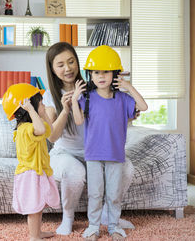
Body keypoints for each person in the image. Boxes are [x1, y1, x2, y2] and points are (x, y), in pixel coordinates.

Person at [43, 42, 135, 236]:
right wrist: (67, 108)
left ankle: (107, 214)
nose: (67, 68)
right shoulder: (50, 96)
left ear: (78, 63)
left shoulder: (95, 88)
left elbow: (112, 121)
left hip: (95, 152)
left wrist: (128, 113)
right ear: (52, 69)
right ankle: (68, 217)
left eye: (71, 61)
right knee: (74, 172)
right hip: (65, 154)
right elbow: (51, 136)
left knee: (126, 167)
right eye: (60, 65)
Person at [71, 45, 148, 240]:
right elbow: (79, 120)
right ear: (90, 75)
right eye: (96, 72)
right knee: (95, 194)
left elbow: (143, 106)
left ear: (115, 74)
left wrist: (128, 86)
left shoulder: (123, 99)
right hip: (93, 155)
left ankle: (114, 227)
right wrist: (74, 99)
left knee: (114, 195)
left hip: (115, 155)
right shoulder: (87, 98)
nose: (101, 76)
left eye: (106, 71)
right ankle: (94, 227)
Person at [2, 83, 61, 241]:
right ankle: (34, 237)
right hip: (29, 174)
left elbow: (50, 131)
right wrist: (33, 110)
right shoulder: (24, 129)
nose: (43, 105)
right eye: (40, 102)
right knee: (34, 208)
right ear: (28, 107)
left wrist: (43, 114)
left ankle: (37, 232)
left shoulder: (34, 125)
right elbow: (41, 130)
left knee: (38, 206)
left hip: (38, 171)